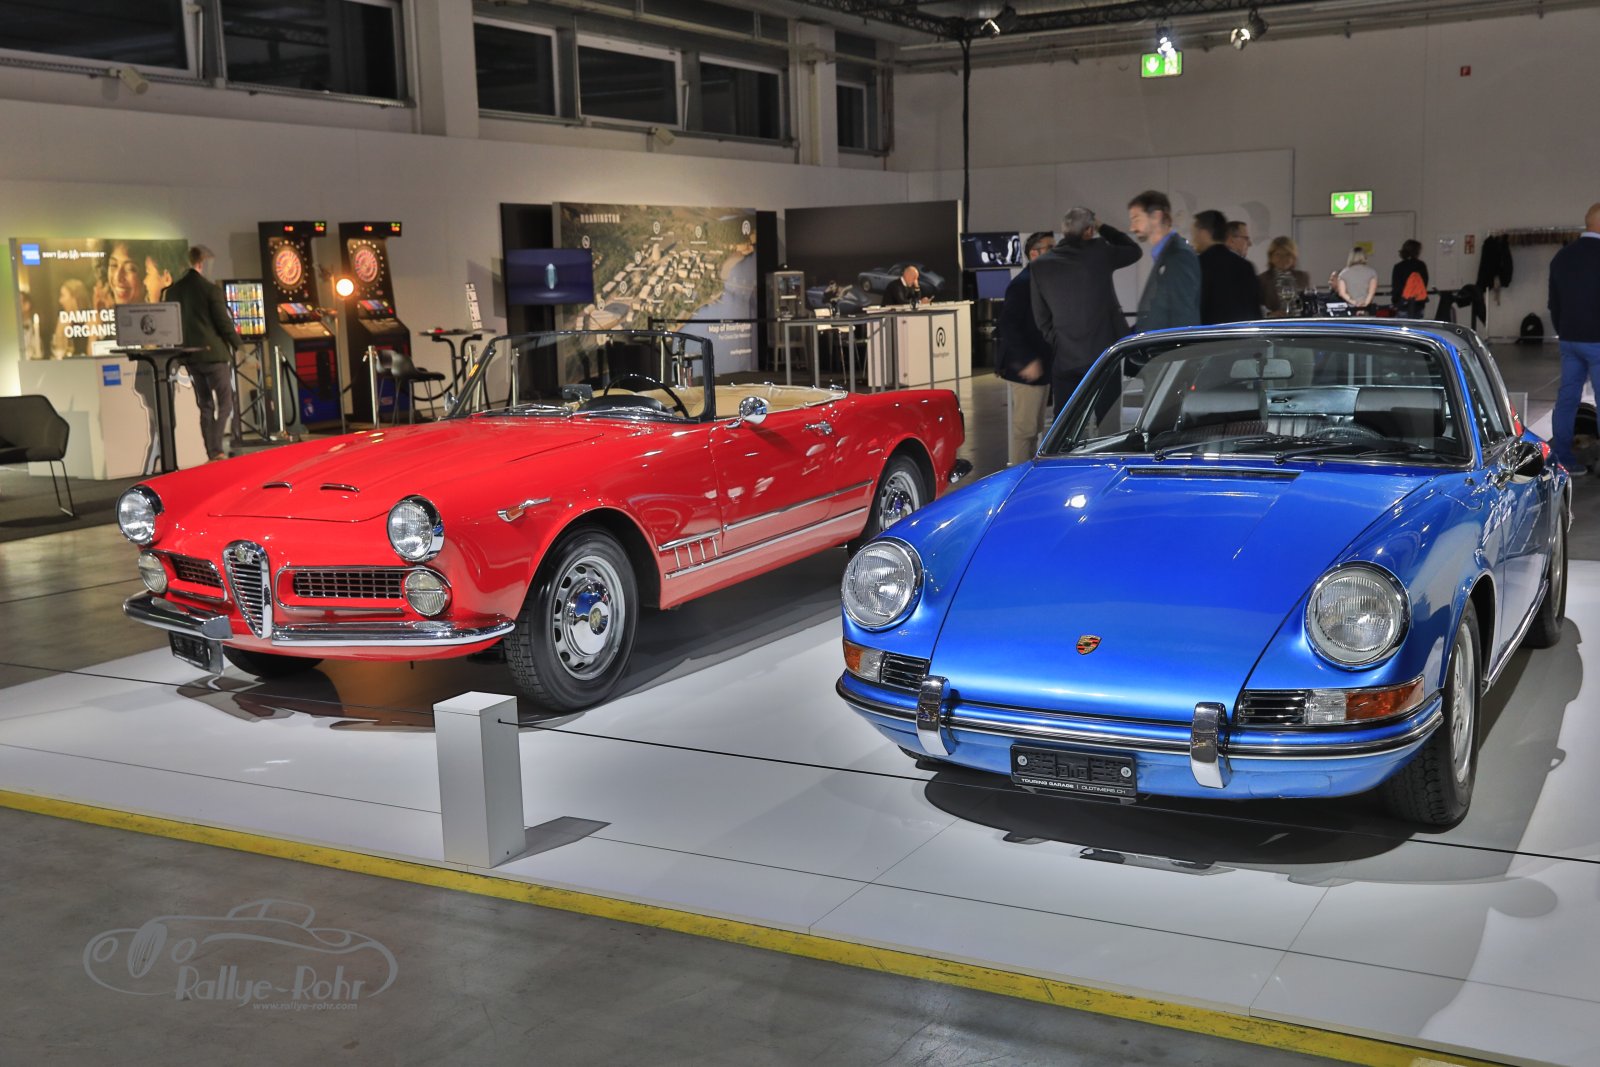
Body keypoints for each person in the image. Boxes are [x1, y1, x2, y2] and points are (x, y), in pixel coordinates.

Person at [1031, 207, 1142, 413]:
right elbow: (1133, 250)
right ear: (1090, 231)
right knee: (1107, 422)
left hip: (1066, 358)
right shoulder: (1100, 253)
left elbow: (1041, 317)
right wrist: (1103, 226)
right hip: (1103, 359)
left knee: (1065, 423)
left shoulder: (1040, 265)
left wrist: (1059, 342)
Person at [163, 245, 243, 462]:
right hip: (214, 355)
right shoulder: (210, 290)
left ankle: (211, 451)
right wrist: (239, 345)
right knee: (226, 402)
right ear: (202, 262)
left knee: (205, 404)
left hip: (191, 357)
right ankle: (217, 449)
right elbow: (223, 323)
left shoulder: (173, 290)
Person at [1548, 202, 1600, 477]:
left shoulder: (1562, 256)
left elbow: (1553, 303)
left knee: (1567, 399)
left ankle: (1563, 460)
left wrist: (1564, 330)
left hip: (1569, 339)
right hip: (1597, 340)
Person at [996, 231, 1057, 464]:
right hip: (1026, 366)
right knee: (1025, 430)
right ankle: (1019, 477)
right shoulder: (1022, 284)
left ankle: (1027, 473)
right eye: (1050, 248)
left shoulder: (1040, 281)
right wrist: (1027, 359)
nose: (1055, 252)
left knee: (1034, 427)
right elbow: (1008, 325)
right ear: (1034, 253)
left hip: (1039, 364)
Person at [1126, 190, 1199, 331]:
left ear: (1156, 216)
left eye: (1136, 219)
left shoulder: (1179, 255)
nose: (1132, 227)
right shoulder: (1169, 254)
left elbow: (1183, 315)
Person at [1193, 209, 1263, 324]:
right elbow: (1255, 312)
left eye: (1195, 233)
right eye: (1246, 238)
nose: (1194, 239)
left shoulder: (1198, 265)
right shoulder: (1246, 266)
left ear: (1204, 233)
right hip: (1241, 333)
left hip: (1209, 333)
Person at [1259, 237, 1311, 316]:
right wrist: (1270, 313)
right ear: (1271, 257)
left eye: (1287, 254)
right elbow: (1256, 305)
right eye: (1278, 254)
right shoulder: (1262, 279)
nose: (1283, 258)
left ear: (1293, 258)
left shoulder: (1303, 277)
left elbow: (1307, 302)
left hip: (1299, 321)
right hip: (1274, 322)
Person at [1391, 240, 1431, 318]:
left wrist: (1396, 301)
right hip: (1418, 303)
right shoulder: (1421, 265)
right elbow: (1424, 284)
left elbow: (1396, 286)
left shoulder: (1399, 266)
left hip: (1402, 302)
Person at [1335, 248, 1378, 312]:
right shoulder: (1372, 272)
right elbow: (1371, 292)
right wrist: (1365, 304)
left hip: (1350, 308)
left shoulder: (1343, 274)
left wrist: (1355, 303)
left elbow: (1342, 293)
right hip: (1367, 309)